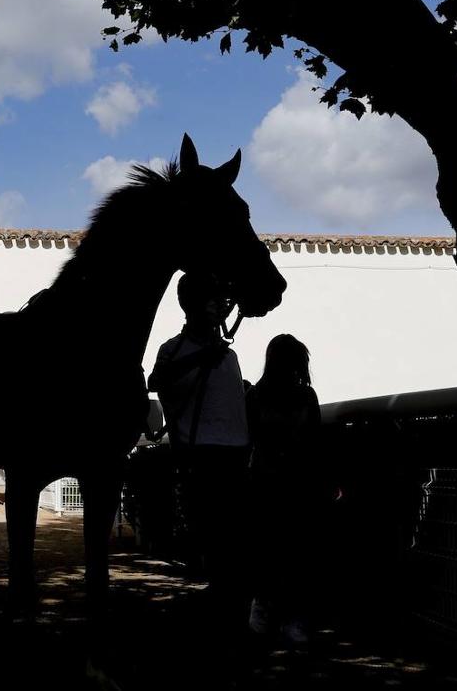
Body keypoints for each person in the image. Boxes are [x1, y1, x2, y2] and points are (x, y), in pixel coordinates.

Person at [148, 272, 251, 637]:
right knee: (215, 532)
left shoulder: (227, 354)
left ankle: (225, 602)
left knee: (228, 534)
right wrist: (201, 360)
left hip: (234, 452)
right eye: (210, 299)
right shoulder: (174, 350)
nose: (218, 306)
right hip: (200, 453)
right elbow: (156, 382)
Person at [245, 334, 324, 647]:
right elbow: (315, 443)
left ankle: (264, 611)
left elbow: (247, 440)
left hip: (266, 483)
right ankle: (293, 618)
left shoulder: (255, 397)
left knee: (269, 550)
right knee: (297, 553)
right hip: (297, 485)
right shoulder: (307, 397)